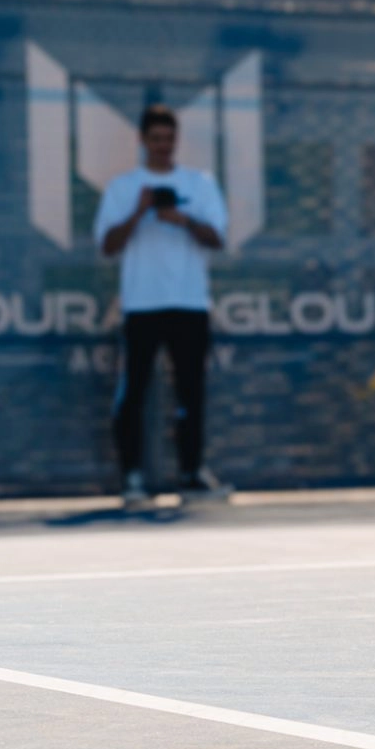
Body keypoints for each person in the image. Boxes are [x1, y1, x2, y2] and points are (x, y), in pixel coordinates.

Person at [94, 104, 230, 506]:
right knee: (133, 392)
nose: (163, 147)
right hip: (142, 305)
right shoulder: (123, 188)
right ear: (142, 140)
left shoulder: (199, 184)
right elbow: (107, 245)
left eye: (169, 139)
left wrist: (181, 219)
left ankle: (190, 475)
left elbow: (218, 239)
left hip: (189, 304)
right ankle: (132, 479)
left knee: (191, 391)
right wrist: (139, 213)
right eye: (155, 139)